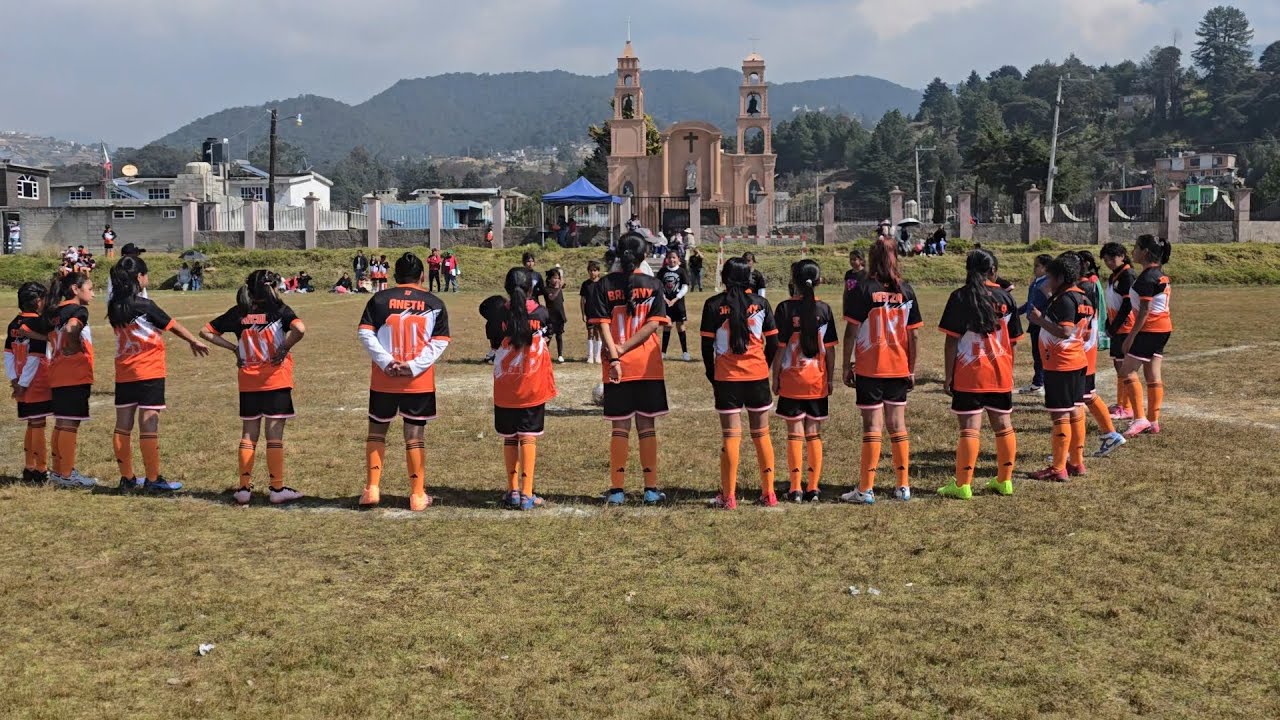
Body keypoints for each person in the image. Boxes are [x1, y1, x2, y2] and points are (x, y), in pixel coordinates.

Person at [200, 270, 307, 505]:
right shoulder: (279, 310)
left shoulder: (240, 312)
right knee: (274, 435)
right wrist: (284, 347)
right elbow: (299, 329)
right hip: (276, 380)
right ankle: (277, 488)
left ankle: (243, 488)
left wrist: (234, 348)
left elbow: (205, 331)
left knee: (248, 434)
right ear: (272, 287)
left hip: (248, 381)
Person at [356, 253, 450, 512]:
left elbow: (365, 334)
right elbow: (439, 342)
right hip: (417, 382)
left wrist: (386, 362)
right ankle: (417, 495)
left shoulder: (379, 299)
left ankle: (372, 489)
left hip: (384, 380)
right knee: (414, 435)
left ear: (395, 276)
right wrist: (412, 366)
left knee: (377, 431)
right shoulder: (434, 302)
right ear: (422, 276)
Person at [106, 256, 209, 492]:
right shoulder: (145, 305)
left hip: (124, 371)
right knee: (148, 422)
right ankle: (152, 479)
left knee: (122, 424)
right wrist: (194, 341)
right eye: (146, 274)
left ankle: (127, 478)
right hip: (149, 369)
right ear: (138, 278)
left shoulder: (115, 307)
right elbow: (172, 325)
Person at [585, 232, 671, 506]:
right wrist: (625, 349)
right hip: (647, 366)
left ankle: (618, 489)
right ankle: (650, 489)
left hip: (615, 367)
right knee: (647, 426)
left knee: (619, 428)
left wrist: (615, 354)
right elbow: (653, 325)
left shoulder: (603, 285)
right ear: (644, 256)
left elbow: (602, 325)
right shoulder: (654, 284)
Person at [935, 249, 1024, 500]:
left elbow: (951, 342)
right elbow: (1013, 341)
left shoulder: (961, 296)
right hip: (999, 372)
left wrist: (948, 375)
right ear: (993, 271)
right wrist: (1008, 370)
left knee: (969, 429)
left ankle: (963, 485)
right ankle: (1004, 481)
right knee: (1003, 426)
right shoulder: (1006, 298)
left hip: (969, 372)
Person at [841, 239, 923, 504]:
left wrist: (845, 365)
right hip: (898, 367)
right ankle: (903, 486)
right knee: (898, 426)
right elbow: (915, 336)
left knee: (872, 427)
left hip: (870, 368)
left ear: (871, 259)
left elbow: (852, 331)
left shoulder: (862, 289)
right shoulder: (906, 290)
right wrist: (911, 368)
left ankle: (866, 489)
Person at [701, 257, 779, 508]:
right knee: (761, 434)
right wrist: (763, 366)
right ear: (749, 278)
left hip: (727, 378)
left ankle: (729, 496)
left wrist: (711, 373)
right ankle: (769, 494)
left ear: (724, 278)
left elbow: (705, 346)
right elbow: (774, 344)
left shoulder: (713, 305)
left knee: (731, 436)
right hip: (756, 376)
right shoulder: (761, 303)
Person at [771, 260, 837, 503]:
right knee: (813, 434)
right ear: (818, 281)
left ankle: (796, 487)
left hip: (792, 380)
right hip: (816, 380)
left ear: (794, 282)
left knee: (794, 434)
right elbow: (830, 351)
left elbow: (779, 350)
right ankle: (814, 488)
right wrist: (830, 378)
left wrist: (775, 377)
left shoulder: (784, 309)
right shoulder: (824, 309)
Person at [492, 267, 557, 510]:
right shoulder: (541, 313)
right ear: (532, 288)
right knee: (527, 436)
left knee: (510, 437)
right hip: (532, 384)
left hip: (506, 385)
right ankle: (527, 493)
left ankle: (513, 491)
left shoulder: (499, 313)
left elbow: (494, 341)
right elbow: (549, 334)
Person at [1025, 253, 1092, 483]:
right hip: (1077, 361)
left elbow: (1064, 331)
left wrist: (1038, 320)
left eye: (1051, 277)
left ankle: (1058, 467)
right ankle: (1076, 461)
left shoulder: (1065, 300)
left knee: (1060, 414)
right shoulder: (1083, 298)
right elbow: (1086, 333)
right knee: (1075, 409)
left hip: (1061, 364)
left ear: (1061, 277)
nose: (1048, 281)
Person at [43, 271, 99, 488]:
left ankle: (59, 470)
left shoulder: (54, 312)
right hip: (73, 374)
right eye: (90, 288)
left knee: (62, 422)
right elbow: (71, 329)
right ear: (76, 289)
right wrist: (73, 344)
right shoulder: (77, 310)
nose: (93, 294)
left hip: (57, 372)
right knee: (70, 424)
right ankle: (66, 474)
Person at [1117, 234, 1173, 438]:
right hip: (1163, 328)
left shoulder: (1146, 277)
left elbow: (1144, 310)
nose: (1133, 251)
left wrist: (1131, 336)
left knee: (1126, 371)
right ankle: (1153, 421)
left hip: (1149, 329)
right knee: (1152, 375)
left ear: (1145, 252)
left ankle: (1140, 419)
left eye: (1136, 247)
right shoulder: (1159, 274)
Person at [1076, 250, 1127, 458]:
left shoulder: (1084, 288)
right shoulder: (1087, 286)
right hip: (1085, 351)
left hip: (1080, 353)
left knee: (1076, 402)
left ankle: (1073, 453)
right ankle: (1110, 433)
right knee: (1087, 396)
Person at [5, 282, 51, 483]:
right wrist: (23, 383)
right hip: (36, 381)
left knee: (32, 424)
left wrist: (14, 379)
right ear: (39, 301)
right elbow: (35, 357)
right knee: (38, 423)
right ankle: (41, 470)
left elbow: (7, 354)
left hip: (20, 380)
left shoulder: (14, 323)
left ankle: (29, 467)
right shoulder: (38, 324)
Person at [1100, 242, 1137, 420]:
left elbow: (1128, 304)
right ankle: (1121, 403)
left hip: (1126, 327)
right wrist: (1109, 322)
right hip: (1117, 326)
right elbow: (1113, 303)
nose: (1109, 262)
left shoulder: (1128, 275)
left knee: (1124, 367)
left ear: (1122, 256)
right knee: (1118, 365)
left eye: (1112, 258)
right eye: (1106, 260)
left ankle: (1128, 407)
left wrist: (1114, 327)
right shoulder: (1114, 275)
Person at [1018, 254, 1053, 395]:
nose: (1034, 268)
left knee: (1041, 354)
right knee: (1036, 353)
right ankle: (1037, 382)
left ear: (1045, 268)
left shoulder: (1048, 282)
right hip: (1034, 322)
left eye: (1037, 266)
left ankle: (1040, 383)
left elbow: (1050, 302)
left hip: (1041, 323)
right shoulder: (1035, 281)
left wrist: (1042, 317)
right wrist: (1016, 312)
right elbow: (1030, 303)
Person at [659, 251, 692, 361]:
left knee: (680, 326)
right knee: (667, 326)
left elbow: (685, 287)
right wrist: (664, 298)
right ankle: (663, 352)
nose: (672, 260)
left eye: (674, 258)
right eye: (669, 258)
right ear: (666, 259)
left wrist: (675, 299)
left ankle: (685, 352)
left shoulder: (682, 271)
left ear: (678, 259)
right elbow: (658, 286)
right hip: (666, 303)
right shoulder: (662, 271)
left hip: (678, 304)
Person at [579, 260, 604, 364]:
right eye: (591, 270)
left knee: (598, 333)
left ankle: (598, 355)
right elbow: (582, 300)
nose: (593, 273)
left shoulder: (602, 283)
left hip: (600, 313)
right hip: (589, 312)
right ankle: (590, 356)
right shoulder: (585, 284)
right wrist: (583, 313)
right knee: (590, 333)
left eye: (595, 270)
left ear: (598, 272)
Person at [544, 267, 567, 363]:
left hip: (560, 316)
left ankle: (560, 355)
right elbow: (552, 298)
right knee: (548, 336)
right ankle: (545, 355)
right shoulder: (547, 289)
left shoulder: (559, 289)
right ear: (549, 279)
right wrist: (559, 288)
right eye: (554, 278)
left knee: (559, 336)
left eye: (558, 278)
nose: (556, 280)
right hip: (550, 317)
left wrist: (560, 286)